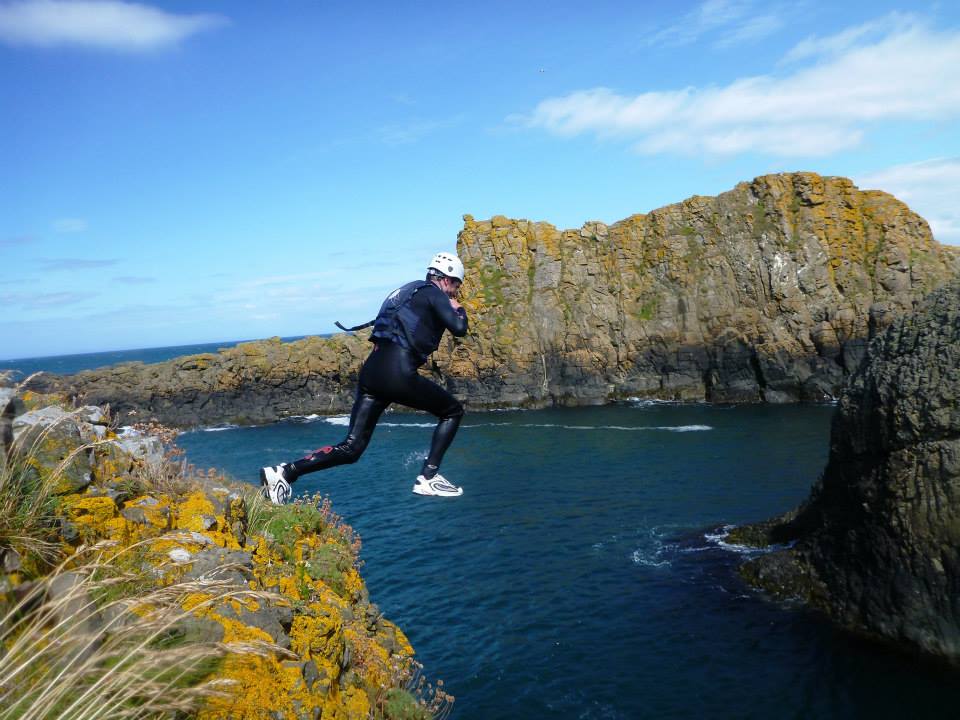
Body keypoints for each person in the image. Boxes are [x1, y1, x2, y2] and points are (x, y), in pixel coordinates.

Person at [260, 251, 469, 503]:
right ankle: (429, 477)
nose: (455, 292)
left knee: (351, 448)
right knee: (452, 411)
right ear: (447, 279)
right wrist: (459, 310)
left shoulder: (405, 292)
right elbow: (459, 329)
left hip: (372, 372)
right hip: (397, 371)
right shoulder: (434, 292)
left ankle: (285, 472)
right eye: (456, 285)